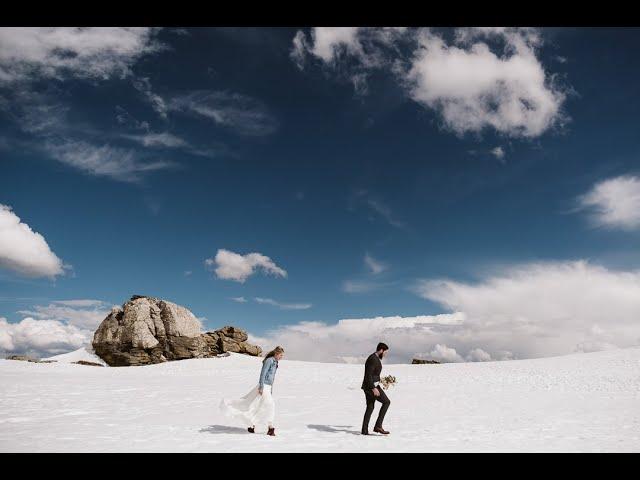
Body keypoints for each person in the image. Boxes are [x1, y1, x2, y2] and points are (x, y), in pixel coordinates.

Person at [220, 346, 284, 436]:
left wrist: (270, 390)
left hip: (268, 387)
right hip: (264, 385)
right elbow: (263, 373)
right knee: (270, 405)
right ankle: (270, 428)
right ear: (276, 354)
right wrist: (261, 387)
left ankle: (252, 426)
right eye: (281, 355)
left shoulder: (275, 362)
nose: (282, 357)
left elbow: (272, 378)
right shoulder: (269, 360)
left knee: (257, 405)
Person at [361, 342, 391, 435]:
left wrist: (382, 381)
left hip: (370, 386)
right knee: (386, 402)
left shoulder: (375, 358)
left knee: (370, 407)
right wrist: (373, 388)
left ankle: (364, 431)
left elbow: (373, 374)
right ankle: (378, 426)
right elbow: (368, 375)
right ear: (381, 350)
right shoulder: (373, 359)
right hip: (371, 387)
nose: (386, 354)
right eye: (385, 352)